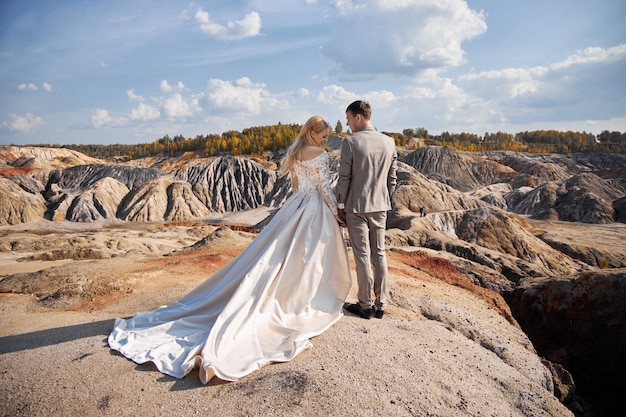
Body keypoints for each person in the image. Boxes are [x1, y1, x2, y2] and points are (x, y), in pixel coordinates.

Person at [108, 116, 352, 383]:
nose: (326, 139)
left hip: (296, 207)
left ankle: (293, 295)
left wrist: (295, 207)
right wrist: (335, 212)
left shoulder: (295, 152)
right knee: (309, 257)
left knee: (278, 255)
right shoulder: (321, 155)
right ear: (314, 134)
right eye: (324, 135)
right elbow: (325, 189)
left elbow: (295, 187)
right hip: (315, 207)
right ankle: (305, 298)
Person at [336, 101, 397, 320]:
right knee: (379, 253)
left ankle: (365, 305)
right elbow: (392, 178)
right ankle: (381, 305)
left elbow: (344, 179)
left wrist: (340, 205)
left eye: (348, 118)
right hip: (380, 206)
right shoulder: (389, 142)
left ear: (358, 117)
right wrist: (385, 199)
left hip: (356, 207)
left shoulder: (351, 143)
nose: (347, 123)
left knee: (362, 255)